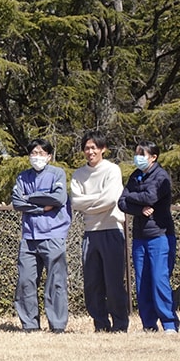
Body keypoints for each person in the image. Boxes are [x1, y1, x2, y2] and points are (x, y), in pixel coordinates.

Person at [70, 131, 129, 332]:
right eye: (87, 148)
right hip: (90, 233)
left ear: (103, 149)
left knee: (113, 283)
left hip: (111, 229)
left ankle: (120, 324)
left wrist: (89, 203)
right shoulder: (78, 174)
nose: (90, 151)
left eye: (94, 147)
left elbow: (111, 199)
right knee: (92, 284)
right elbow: (75, 202)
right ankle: (100, 324)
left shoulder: (112, 170)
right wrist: (97, 199)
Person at [11, 139, 72, 333]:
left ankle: (58, 325)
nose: (37, 156)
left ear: (49, 156)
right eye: (33, 153)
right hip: (29, 237)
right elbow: (17, 202)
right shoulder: (22, 177)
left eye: (41, 153)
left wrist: (29, 198)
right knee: (25, 282)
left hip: (53, 235)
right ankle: (29, 325)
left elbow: (58, 199)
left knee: (56, 282)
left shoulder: (57, 174)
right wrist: (40, 206)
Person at [118, 141, 178, 333]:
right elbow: (121, 202)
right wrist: (138, 208)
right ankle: (148, 324)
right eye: (137, 154)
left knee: (159, 280)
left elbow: (151, 197)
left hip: (160, 235)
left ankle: (169, 323)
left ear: (153, 157)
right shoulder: (135, 176)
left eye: (142, 154)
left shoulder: (161, 176)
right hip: (139, 237)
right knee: (142, 281)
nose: (138, 158)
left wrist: (132, 197)